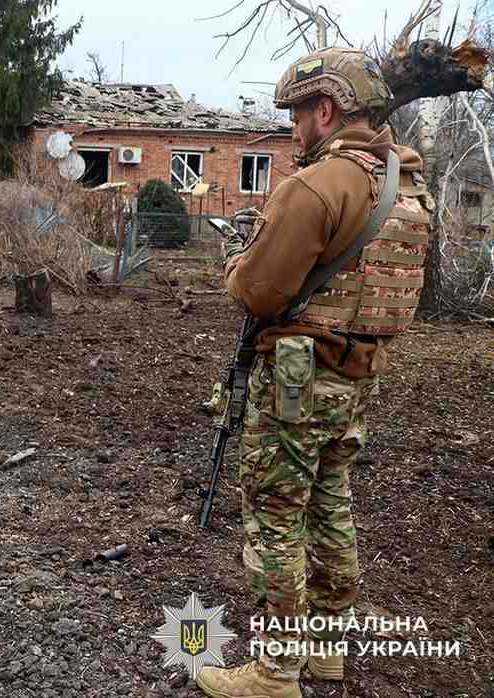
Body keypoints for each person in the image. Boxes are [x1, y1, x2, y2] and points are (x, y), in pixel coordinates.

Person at [196, 48, 433, 698]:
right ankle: (326, 650)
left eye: (298, 115)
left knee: (276, 516)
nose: (295, 130)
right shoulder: (407, 187)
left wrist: (233, 263)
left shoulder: (316, 186)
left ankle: (274, 673)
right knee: (332, 508)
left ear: (325, 110)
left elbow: (260, 293)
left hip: (296, 386)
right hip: (355, 382)